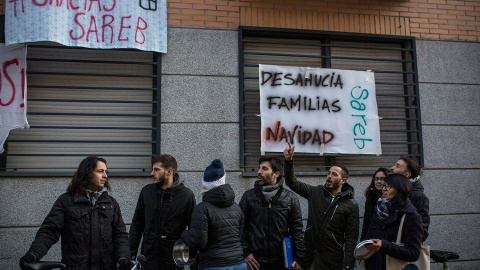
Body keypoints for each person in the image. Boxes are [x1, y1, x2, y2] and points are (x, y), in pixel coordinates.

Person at [19, 156, 131, 270]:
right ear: (87, 173)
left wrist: (123, 258)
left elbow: (120, 235)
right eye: (100, 171)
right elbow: (49, 231)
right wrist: (34, 253)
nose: (105, 176)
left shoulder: (111, 203)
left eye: (106, 172)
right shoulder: (66, 201)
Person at [283, 141, 359, 270]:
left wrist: (347, 265)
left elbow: (351, 238)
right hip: (311, 258)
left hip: (333, 261)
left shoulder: (350, 204)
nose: (329, 176)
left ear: (343, 180)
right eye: (329, 173)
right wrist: (289, 161)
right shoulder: (315, 192)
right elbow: (292, 183)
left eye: (334, 174)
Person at [129, 154, 196, 270]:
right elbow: (137, 225)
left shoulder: (186, 195)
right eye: (152, 169)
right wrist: (130, 255)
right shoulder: (147, 192)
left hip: (173, 261)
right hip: (148, 260)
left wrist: (192, 261)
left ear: (169, 171)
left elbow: (194, 230)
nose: (152, 173)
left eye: (156, 170)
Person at [239, 155, 305, 270]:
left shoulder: (290, 198)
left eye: (264, 169)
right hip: (255, 262)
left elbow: (297, 230)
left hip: (281, 261)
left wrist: (298, 258)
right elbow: (239, 227)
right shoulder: (249, 197)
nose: (259, 172)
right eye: (259, 168)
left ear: (276, 174)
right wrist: (246, 253)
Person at [181, 159, 247, 270]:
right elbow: (239, 236)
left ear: (205, 184)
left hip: (213, 264)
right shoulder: (236, 207)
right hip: (239, 263)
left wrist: (184, 234)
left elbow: (198, 242)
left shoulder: (202, 208)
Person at [364, 173, 424, 270]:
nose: (383, 189)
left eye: (389, 186)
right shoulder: (379, 211)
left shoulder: (411, 217)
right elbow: (369, 236)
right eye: (384, 186)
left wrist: (384, 246)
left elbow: (413, 253)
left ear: (400, 189)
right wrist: (366, 245)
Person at [390, 156, 430, 241]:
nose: (392, 168)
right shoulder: (389, 190)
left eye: (397, 166)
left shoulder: (419, 197)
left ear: (407, 175)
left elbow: (422, 230)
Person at [360, 168, 391, 241]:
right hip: (370, 238)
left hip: (384, 240)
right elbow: (366, 222)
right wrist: (363, 241)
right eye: (376, 179)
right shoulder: (370, 197)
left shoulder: (389, 199)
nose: (379, 181)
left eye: (382, 179)